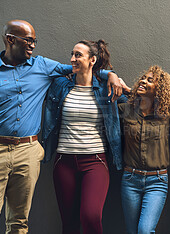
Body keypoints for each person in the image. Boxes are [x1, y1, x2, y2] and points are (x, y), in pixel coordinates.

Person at [0, 19, 122, 233]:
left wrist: (111, 74)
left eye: (35, 40)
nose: (33, 45)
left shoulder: (43, 67)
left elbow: (87, 72)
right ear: (10, 39)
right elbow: (75, 68)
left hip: (52, 154)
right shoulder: (58, 83)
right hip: (12, 152)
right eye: (28, 40)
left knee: (21, 220)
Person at [41, 39, 122, 233]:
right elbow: (34, 72)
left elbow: (138, 98)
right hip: (64, 161)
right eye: (72, 54)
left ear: (92, 59)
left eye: (78, 55)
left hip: (95, 162)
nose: (72, 59)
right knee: (69, 223)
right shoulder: (60, 85)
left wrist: (112, 76)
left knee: (91, 216)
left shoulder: (105, 88)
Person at [118, 65, 170, 234]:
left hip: (157, 181)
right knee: (132, 231)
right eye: (143, 78)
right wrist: (127, 90)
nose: (142, 81)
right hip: (130, 179)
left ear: (159, 89)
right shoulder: (126, 110)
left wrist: (169, 101)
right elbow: (107, 93)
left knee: (145, 230)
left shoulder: (167, 113)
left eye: (149, 80)